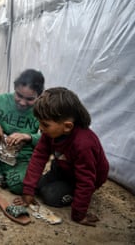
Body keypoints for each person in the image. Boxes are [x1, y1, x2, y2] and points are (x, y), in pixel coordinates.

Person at [13, 87, 109, 227]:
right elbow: (38, 158)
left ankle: (71, 193)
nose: (40, 128)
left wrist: (79, 214)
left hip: (83, 178)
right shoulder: (49, 133)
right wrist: (28, 191)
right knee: (37, 187)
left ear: (67, 126)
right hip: (64, 168)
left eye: (45, 124)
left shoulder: (84, 144)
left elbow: (86, 181)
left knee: (50, 196)